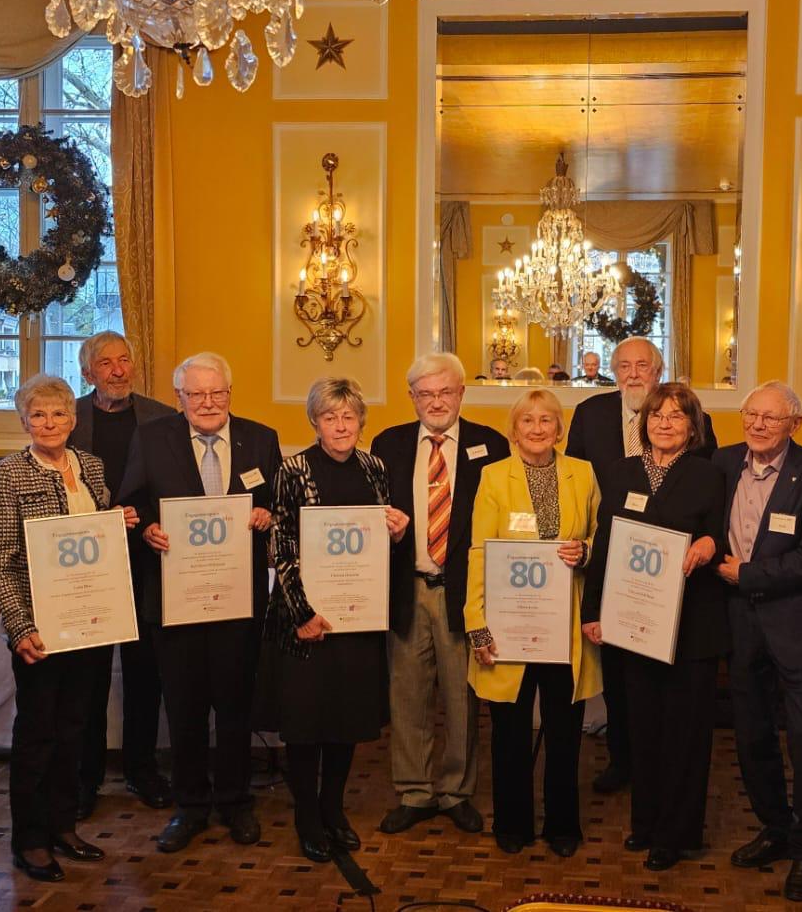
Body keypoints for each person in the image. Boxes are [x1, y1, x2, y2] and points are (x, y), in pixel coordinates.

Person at [120, 352, 282, 853]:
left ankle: (235, 802)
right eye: (197, 394)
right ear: (180, 398)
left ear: (230, 394)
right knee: (184, 708)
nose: (208, 403)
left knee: (235, 706)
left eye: (217, 393)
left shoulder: (261, 438)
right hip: (176, 597)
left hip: (238, 598)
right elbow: (131, 501)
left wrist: (267, 514)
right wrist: (147, 528)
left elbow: (279, 499)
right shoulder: (152, 438)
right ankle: (189, 806)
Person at [0, 374, 139, 882]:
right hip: (41, 627)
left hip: (90, 622)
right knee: (38, 734)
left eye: (58, 414)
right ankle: (30, 840)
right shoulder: (8, 474)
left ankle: (63, 826)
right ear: (23, 422)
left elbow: (96, 537)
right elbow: (1, 561)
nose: (49, 423)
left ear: (73, 420)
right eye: (38, 415)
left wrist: (118, 520)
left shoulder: (90, 466)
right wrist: (19, 626)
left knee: (76, 729)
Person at [257, 378, 410, 862]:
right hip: (306, 620)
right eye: (330, 417)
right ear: (315, 422)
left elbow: (378, 544)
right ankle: (307, 815)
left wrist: (397, 534)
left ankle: (333, 809)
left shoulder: (375, 468)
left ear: (361, 421)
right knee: (307, 723)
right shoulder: (293, 469)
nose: (341, 426)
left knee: (346, 720)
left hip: (357, 618)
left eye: (348, 417)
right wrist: (303, 614)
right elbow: (282, 545)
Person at [582, 382, 726, 872]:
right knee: (640, 728)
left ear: (693, 426)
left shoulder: (710, 474)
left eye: (676, 416)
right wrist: (592, 610)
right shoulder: (621, 472)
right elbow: (605, 542)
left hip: (691, 626)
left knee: (684, 734)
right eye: (657, 415)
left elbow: (723, 533)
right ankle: (644, 822)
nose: (665, 423)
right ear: (644, 423)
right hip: (633, 622)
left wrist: (710, 544)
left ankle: (676, 834)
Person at [713, 380, 802, 903]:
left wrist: (747, 574)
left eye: (771, 417)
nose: (759, 425)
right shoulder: (723, 464)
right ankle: (775, 827)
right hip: (739, 624)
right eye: (752, 414)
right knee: (752, 735)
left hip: (800, 626)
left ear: (795, 423)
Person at [565, 336, 716, 796]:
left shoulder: (697, 426)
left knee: (665, 694)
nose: (633, 374)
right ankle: (623, 759)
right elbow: (577, 480)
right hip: (614, 568)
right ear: (614, 372)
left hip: (674, 583)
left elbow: (708, 500)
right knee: (621, 681)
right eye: (624, 366)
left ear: (658, 369)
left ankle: (661, 772)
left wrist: (708, 540)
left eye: (643, 366)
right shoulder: (589, 413)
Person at [371, 353, 509, 835]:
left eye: (445, 392)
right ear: (412, 398)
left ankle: (456, 792)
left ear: (461, 394)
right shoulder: (387, 444)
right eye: (425, 393)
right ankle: (414, 791)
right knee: (407, 697)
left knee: (461, 698)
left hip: (463, 592)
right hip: (408, 588)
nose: (436, 402)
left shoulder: (490, 445)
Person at [466, 389, 601, 858]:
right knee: (509, 729)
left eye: (547, 420)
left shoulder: (583, 473)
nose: (538, 428)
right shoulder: (492, 476)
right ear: (514, 429)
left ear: (559, 429)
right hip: (509, 623)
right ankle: (512, 822)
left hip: (563, 623)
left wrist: (585, 550)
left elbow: (599, 535)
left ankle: (563, 824)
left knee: (564, 731)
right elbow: (479, 551)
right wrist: (476, 622)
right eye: (528, 420)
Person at [68, 331, 175, 815]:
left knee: (145, 673)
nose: (118, 370)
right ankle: (85, 777)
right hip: (88, 564)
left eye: (124, 360)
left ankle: (141, 768)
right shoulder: (69, 418)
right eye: (106, 363)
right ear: (87, 372)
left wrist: (148, 522)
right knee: (89, 676)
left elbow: (172, 485)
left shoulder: (162, 417)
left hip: (147, 558)